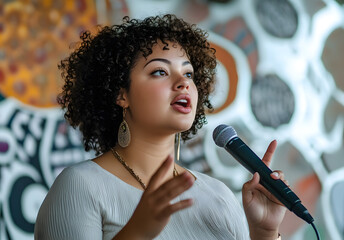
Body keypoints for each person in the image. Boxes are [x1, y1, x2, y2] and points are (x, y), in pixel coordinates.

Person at [34, 14, 287, 240]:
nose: (183, 83)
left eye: (188, 74)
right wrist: (137, 232)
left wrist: (264, 232)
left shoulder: (219, 196)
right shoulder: (79, 186)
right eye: (159, 72)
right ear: (121, 94)